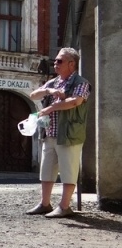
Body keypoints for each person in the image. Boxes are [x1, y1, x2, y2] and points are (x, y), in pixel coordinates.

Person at [26, 47, 91, 218]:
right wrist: (49, 90)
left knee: (68, 171)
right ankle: (45, 204)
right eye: (55, 60)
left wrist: (51, 108)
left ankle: (64, 206)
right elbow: (33, 95)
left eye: (59, 61)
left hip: (69, 134)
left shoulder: (81, 83)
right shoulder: (53, 82)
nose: (55, 63)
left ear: (72, 64)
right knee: (46, 170)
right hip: (50, 133)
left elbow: (75, 102)